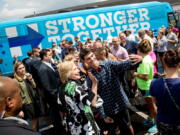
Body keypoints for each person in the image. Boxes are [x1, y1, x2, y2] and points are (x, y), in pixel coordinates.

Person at [80, 48, 143, 135]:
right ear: (84, 61)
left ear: (94, 54)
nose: (92, 59)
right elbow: (96, 97)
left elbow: (124, 65)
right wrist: (103, 115)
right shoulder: (90, 78)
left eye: (92, 56)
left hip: (120, 104)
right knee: (115, 132)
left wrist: (137, 60)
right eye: (88, 58)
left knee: (128, 128)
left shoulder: (108, 64)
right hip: (108, 110)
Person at [58, 61, 100, 134]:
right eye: (74, 69)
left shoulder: (61, 88)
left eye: (77, 68)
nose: (78, 70)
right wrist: (94, 84)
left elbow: (61, 108)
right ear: (67, 73)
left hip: (72, 125)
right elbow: (91, 102)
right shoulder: (74, 87)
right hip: (85, 124)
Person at [150, 49, 180, 134]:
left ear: (164, 63)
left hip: (163, 122)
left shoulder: (154, 83)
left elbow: (154, 105)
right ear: (178, 64)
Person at [38, 49, 66, 135]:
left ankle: (61, 128)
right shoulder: (42, 68)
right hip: (53, 96)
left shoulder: (50, 64)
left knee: (59, 114)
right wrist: (55, 95)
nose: (51, 56)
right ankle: (58, 131)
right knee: (55, 114)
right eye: (49, 55)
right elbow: (46, 85)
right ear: (45, 56)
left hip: (56, 93)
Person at [133, 39, 157, 133]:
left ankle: (157, 124)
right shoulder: (145, 58)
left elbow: (146, 77)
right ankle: (151, 120)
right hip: (145, 86)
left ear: (139, 49)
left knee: (152, 106)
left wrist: (136, 74)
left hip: (147, 87)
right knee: (150, 106)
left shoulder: (145, 61)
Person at [13, 61, 40, 131]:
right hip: (26, 104)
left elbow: (34, 86)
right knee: (30, 123)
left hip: (33, 100)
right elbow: (16, 96)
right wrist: (20, 110)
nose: (22, 69)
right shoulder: (15, 81)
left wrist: (31, 79)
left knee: (36, 120)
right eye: (20, 68)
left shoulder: (27, 76)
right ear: (16, 70)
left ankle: (36, 131)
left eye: (23, 67)